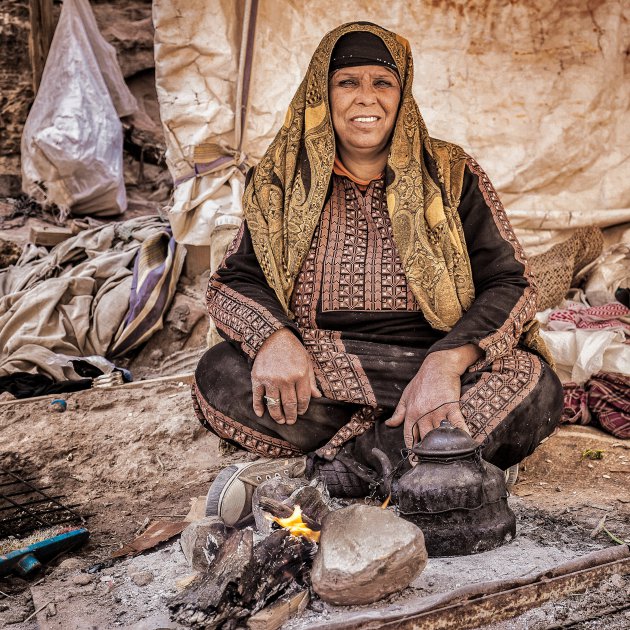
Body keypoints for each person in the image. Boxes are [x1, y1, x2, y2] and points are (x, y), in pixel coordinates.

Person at [192, 22, 563, 526]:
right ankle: (436, 456)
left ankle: (342, 471)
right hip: (324, 365)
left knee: (534, 384)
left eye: (381, 83)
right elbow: (236, 279)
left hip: (430, 364)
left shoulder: (452, 173)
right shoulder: (281, 177)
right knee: (222, 374)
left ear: (402, 93)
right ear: (322, 94)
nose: (366, 98)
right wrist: (275, 338)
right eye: (347, 82)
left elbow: (511, 281)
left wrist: (444, 368)